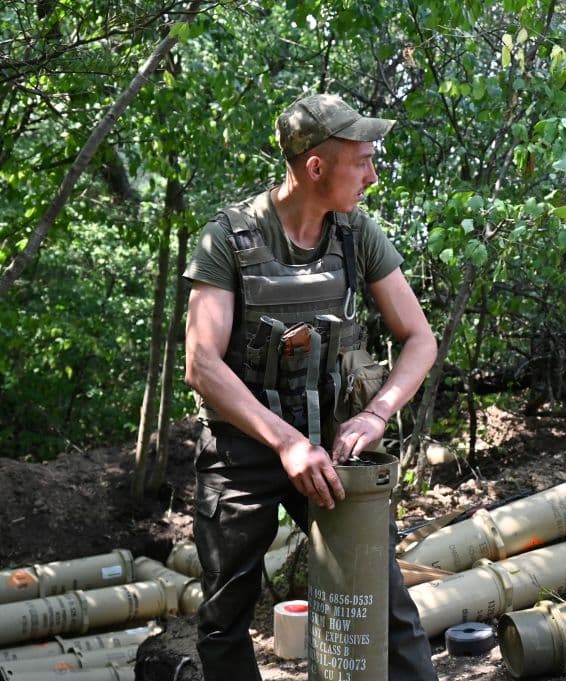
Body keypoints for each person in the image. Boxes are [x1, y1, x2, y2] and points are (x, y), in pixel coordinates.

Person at [183, 93, 438, 680]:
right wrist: (283, 442)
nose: (373, 176)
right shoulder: (228, 239)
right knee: (225, 620)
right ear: (316, 167)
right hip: (242, 447)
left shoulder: (357, 235)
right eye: (362, 161)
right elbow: (202, 364)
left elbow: (418, 338)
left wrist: (374, 416)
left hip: (332, 445)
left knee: (383, 599)